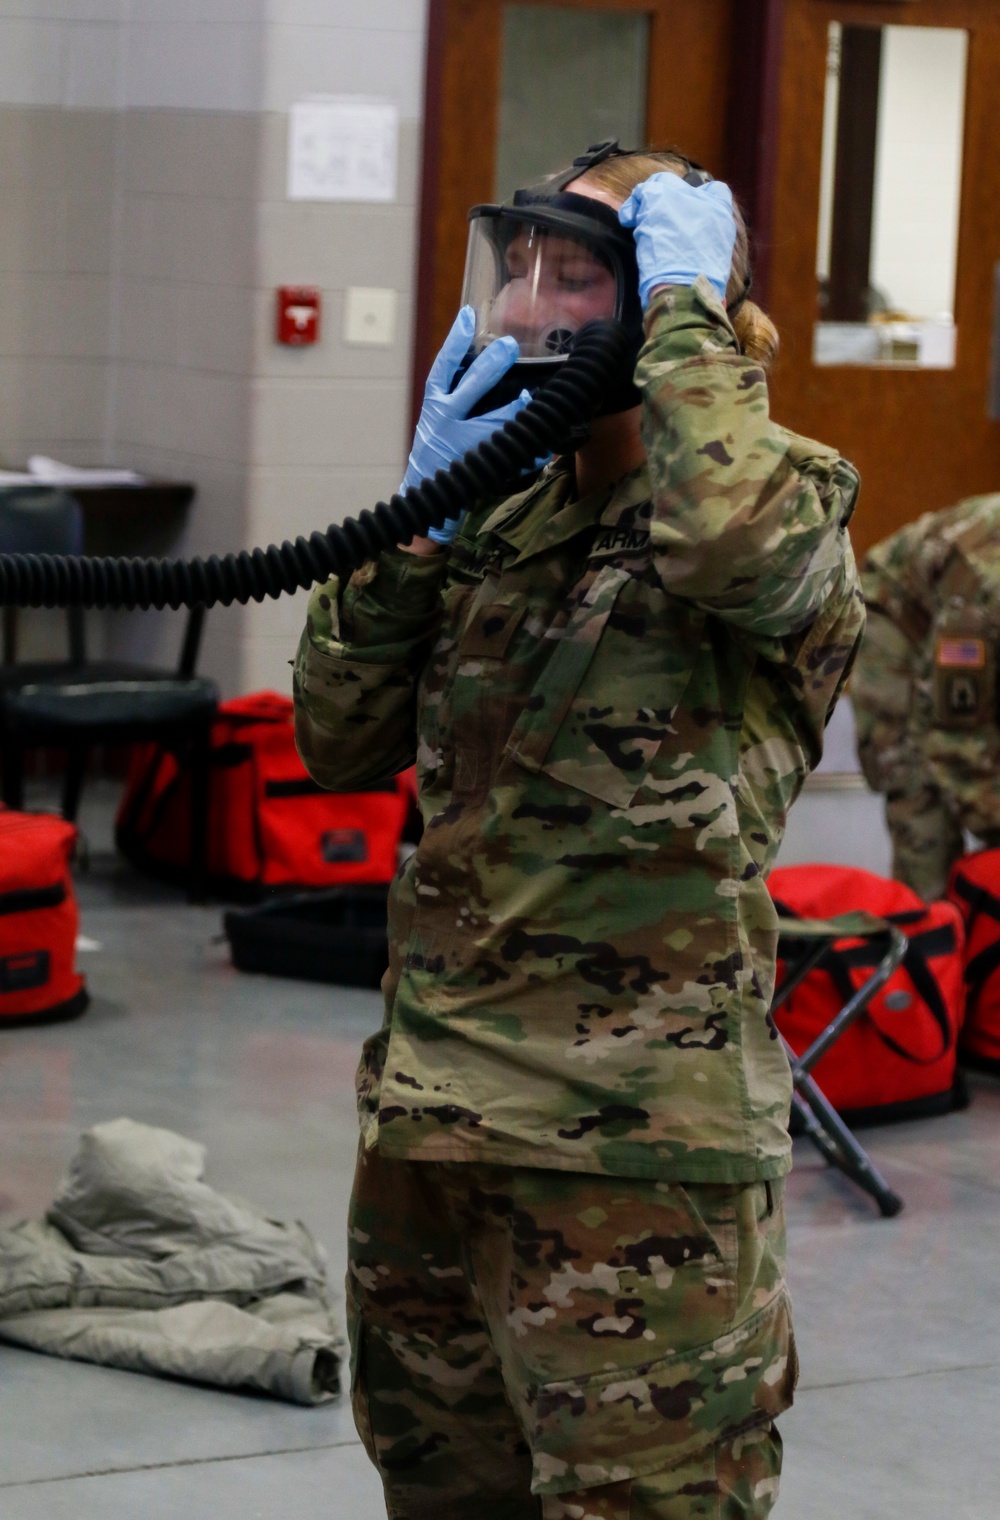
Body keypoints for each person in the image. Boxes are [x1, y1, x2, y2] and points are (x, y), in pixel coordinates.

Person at [293, 142, 864, 1520]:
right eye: (520, 268)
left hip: (635, 1180)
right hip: (433, 1141)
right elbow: (336, 732)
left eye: (585, 273)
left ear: (682, 308)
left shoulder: (781, 503)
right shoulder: (489, 512)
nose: (533, 307)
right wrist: (416, 523)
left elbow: (721, 535)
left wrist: (682, 318)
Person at [852, 493, 1000, 902]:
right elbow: (956, 737)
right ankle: (927, 937)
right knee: (915, 781)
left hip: (970, 621)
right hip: (900, 618)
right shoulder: (985, 585)